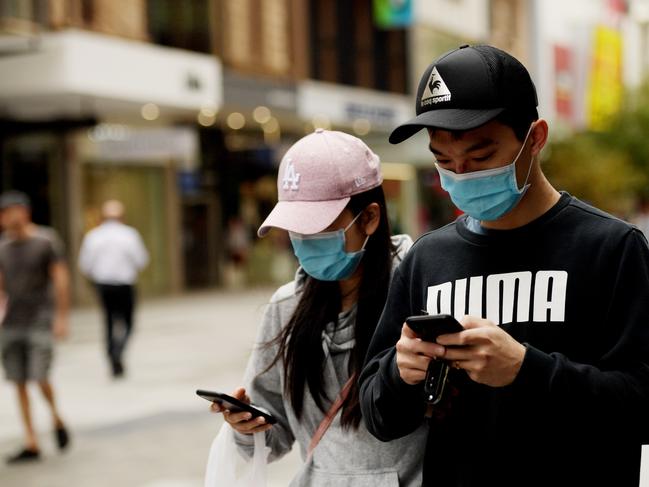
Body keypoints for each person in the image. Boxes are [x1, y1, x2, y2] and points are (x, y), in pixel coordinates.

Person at [358, 44, 649, 487]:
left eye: (480, 158)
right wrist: (402, 373)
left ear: (535, 138)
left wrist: (526, 370)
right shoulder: (427, 258)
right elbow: (378, 415)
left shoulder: (612, 249)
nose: (460, 174)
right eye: (443, 162)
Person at [210, 129, 428, 486]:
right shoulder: (286, 308)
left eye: (319, 228)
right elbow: (273, 437)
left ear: (370, 217)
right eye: (296, 230)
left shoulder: (421, 290)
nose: (304, 243)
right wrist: (245, 427)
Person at [0, 190, 71, 463]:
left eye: (13, 211)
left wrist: (61, 317)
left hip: (39, 319)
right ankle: (31, 439)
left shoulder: (46, 240)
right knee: (17, 380)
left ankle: (55, 417)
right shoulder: (3, 246)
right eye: (5, 214)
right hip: (11, 323)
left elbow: (60, 279)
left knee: (40, 376)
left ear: (25, 212)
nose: (9, 218)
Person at [78, 200, 149, 378]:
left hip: (103, 285)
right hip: (125, 284)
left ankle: (112, 353)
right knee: (128, 322)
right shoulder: (129, 235)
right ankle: (119, 350)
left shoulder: (93, 236)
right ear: (122, 217)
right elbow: (141, 260)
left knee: (109, 321)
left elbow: (85, 265)